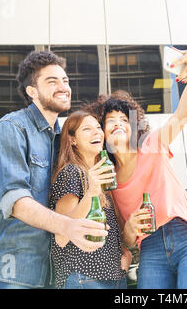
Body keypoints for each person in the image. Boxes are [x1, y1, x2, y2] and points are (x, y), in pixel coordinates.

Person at [0, 50, 108, 289]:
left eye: (65, 81)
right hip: (9, 269)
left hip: (49, 273)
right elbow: (16, 201)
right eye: (52, 81)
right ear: (32, 92)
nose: (63, 86)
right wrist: (70, 226)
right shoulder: (12, 128)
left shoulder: (63, 139)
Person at [94, 47, 187, 289]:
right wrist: (130, 228)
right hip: (150, 250)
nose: (118, 123)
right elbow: (126, 239)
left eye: (123, 119)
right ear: (103, 133)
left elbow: (184, 114)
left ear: (133, 127)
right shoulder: (108, 180)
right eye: (110, 121)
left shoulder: (151, 144)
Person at [49, 109, 132, 289]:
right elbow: (61, 237)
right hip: (84, 278)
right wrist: (91, 192)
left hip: (114, 278)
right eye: (87, 129)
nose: (97, 132)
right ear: (73, 140)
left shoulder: (102, 177)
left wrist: (124, 254)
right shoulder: (72, 172)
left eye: (97, 127)